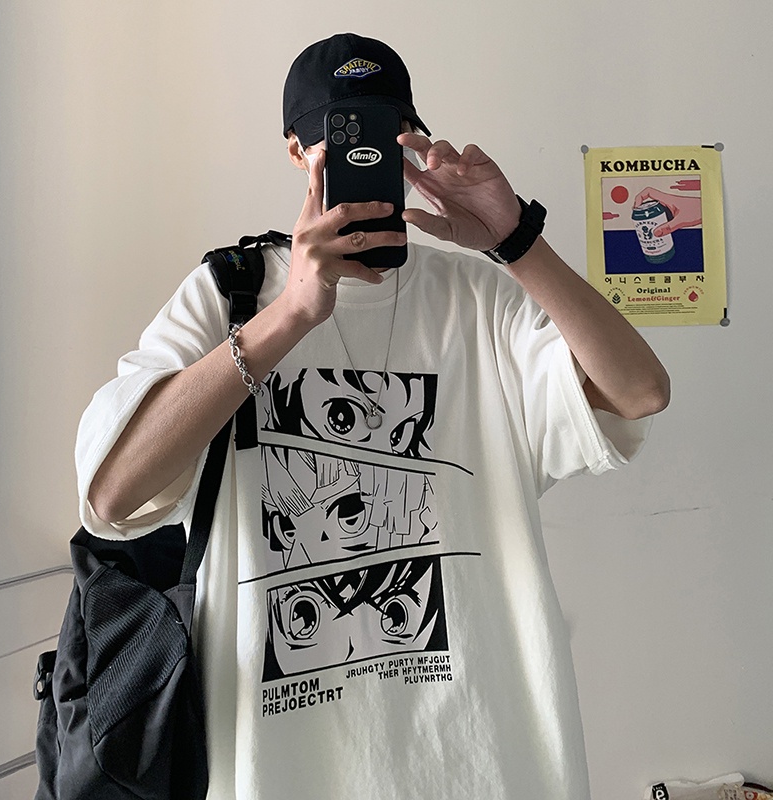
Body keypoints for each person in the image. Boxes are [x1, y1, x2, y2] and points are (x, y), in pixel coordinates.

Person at [76, 32, 670, 800]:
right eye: (337, 135)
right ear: (297, 151)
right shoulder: (227, 295)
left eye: (385, 130)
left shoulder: (477, 300)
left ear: (412, 143)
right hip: (283, 774)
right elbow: (111, 496)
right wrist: (290, 316)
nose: (362, 155)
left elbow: (639, 391)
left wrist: (515, 239)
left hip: (484, 763)